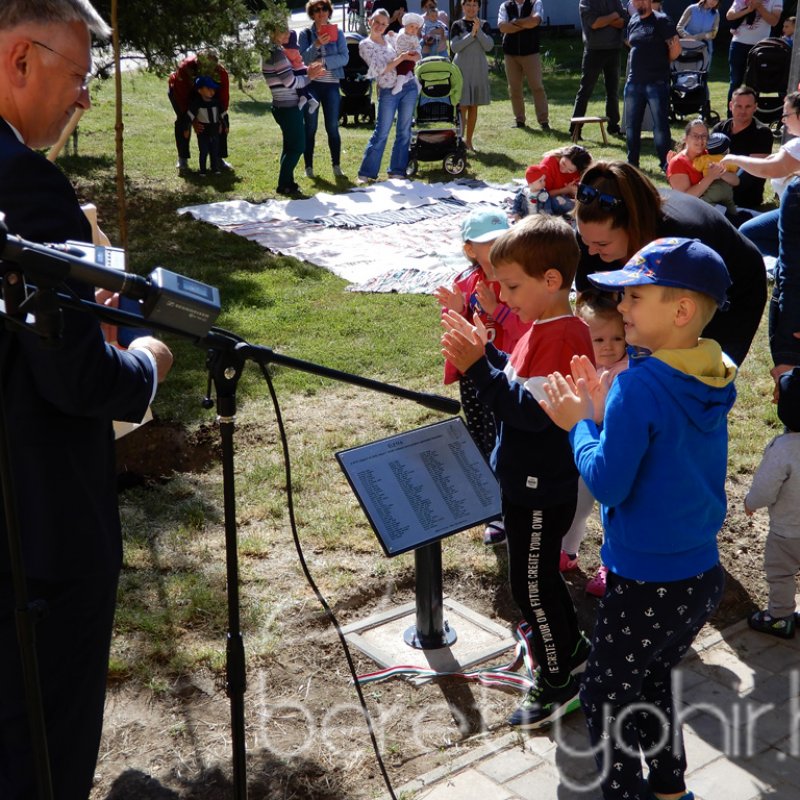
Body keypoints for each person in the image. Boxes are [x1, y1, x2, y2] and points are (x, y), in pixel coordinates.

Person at [0, 2, 174, 797]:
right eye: (76, 76)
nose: (81, 99)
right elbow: (78, 379)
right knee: (44, 745)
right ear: (20, 60)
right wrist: (145, 361)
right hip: (40, 534)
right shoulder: (25, 186)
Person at [540, 236, 736, 800]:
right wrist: (604, 419)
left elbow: (606, 483)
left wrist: (579, 423)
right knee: (652, 680)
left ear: (679, 310)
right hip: (699, 576)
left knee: (605, 695)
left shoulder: (637, 386)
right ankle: (671, 789)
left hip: (644, 581)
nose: (620, 307)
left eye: (634, 296)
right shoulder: (714, 371)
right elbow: (661, 452)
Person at [440, 215, 594, 730]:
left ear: (551, 281)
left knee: (531, 586)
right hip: (524, 481)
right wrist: (487, 352)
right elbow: (518, 379)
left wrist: (477, 367)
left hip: (538, 487)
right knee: (538, 580)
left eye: (511, 285)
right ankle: (570, 649)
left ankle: (558, 682)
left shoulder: (560, 334)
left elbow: (529, 413)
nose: (503, 297)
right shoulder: (544, 328)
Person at [574, 159, 767, 366]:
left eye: (601, 244)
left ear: (634, 228)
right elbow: (588, 305)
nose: (591, 250)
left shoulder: (681, 241)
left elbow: (677, 324)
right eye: (586, 241)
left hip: (734, 288)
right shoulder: (593, 233)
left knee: (696, 374)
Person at [433, 210, 530, 546]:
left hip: (508, 373)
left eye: (501, 237)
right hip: (473, 376)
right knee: (480, 438)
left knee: (506, 441)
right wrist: (459, 309)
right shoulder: (464, 283)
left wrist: (497, 310)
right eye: (487, 242)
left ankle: (507, 506)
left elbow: (526, 330)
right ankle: (492, 507)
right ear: (470, 249)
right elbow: (454, 333)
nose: (497, 245)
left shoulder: (517, 279)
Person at [722, 92, 800, 388]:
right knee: (750, 232)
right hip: (787, 214)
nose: (783, 121)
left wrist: (732, 158)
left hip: (793, 215)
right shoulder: (793, 146)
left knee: (753, 238)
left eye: (787, 115)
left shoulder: (797, 145)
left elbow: (771, 169)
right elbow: (776, 161)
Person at [559, 290, 629, 596]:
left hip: (613, 451)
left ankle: (610, 566)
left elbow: (601, 413)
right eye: (599, 340)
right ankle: (568, 552)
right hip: (585, 447)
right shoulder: (581, 365)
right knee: (578, 503)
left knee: (612, 512)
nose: (610, 346)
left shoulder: (626, 372)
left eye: (617, 337)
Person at [745, 367, 800, 639]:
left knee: (780, 574)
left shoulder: (782, 449)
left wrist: (751, 502)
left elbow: (766, 488)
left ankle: (779, 617)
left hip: (786, 533)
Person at [261, 18, 325, 195]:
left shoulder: (274, 51)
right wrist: (310, 77)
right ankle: (283, 184)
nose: (289, 34)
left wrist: (308, 72)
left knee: (290, 146)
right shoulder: (277, 54)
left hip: (284, 107)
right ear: (273, 33)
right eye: (284, 31)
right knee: (298, 146)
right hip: (288, 108)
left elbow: (291, 76)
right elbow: (290, 82)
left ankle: (288, 182)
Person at [356, 8, 420, 183]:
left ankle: (397, 170)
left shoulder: (390, 39)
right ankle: (367, 173)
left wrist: (412, 56)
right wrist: (402, 58)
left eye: (383, 24)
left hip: (408, 86)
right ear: (370, 21)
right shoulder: (365, 45)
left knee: (404, 130)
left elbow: (408, 45)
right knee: (382, 131)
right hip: (387, 91)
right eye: (377, 22)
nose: (379, 26)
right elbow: (380, 69)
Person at [623, 0, 681, 172]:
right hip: (634, 82)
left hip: (657, 82)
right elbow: (631, 43)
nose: (639, 2)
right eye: (635, 0)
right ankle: (632, 164)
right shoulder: (633, 20)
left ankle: (665, 164)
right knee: (632, 126)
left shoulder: (662, 20)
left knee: (660, 126)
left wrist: (662, 62)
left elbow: (676, 49)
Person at [299, 0, 350, 180]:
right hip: (311, 85)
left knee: (333, 127)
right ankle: (309, 167)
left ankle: (336, 165)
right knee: (310, 128)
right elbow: (304, 59)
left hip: (331, 85)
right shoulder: (305, 34)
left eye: (324, 9)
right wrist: (317, 44)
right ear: (312, 14)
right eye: (316, 10)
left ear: (329, 12)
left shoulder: (339, 33)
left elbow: (345, 58)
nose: (321, 13)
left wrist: (324, 62)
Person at [569, 0, 628, 141]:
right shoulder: (586, 2)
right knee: (585, 91)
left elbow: (623, 22)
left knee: (612, 91)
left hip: (613, 49)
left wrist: (605, 20)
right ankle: (575, 129)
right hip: (593, 50)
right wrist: (613, 16)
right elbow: (594, 23)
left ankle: (613, 126)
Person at [168, 49, 231, 173]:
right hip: (181, 93)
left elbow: (223, 100)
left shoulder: (221, 73)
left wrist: (219, 119)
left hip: (208, 92)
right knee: (183, 121)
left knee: (221, 122)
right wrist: (193, 120)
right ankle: (183, 159)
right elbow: (184, 101)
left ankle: (218, 158)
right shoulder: (185, 68)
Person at [712, 85, 774, 209]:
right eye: (738, 106)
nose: (743, 111)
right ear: (731, 106)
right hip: (715, 188)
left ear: (755, 107)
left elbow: (751, 175)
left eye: (748, 106)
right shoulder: (720, 128)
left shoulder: (762, 133)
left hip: (744, 198)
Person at [666, 119, 739, 218]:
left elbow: (736, 181)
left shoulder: (711, 154)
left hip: (720, 205)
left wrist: (722, 172)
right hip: (693, 214)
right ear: (686, 138)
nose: (700, 140)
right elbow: (685, 199)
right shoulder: (677, 163)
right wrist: (710, 177)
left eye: (704, 136)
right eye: (695, 136)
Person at [497, 0, 550, 130]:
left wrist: (514, 22)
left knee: (537, 86)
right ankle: (519, 121)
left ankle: (544, 121)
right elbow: (503, 27)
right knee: (514, 88)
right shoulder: (505, 6)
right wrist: (526, 23)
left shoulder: (536, 3)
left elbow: (535, 21)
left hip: (531, 52)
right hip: (511, 54)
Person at [449, 0, 493, 152]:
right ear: (463, 7)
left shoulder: (485, 24)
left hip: (478, 69)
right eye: (468, 4)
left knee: (474, 105)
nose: (471, 8)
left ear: (479, 7)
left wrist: (478, 31)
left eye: (474, 5)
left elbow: (488, 46)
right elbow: (455, 47)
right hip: (461, 69)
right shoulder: (457, 25)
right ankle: (459, 141)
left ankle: (469, 141)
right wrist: (471, 34)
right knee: (462, 106)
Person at [726, 0, 783, 108]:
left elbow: (774, 21)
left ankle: (753, 115)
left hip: (760, 47)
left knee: (755, 83)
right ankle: (731, 115)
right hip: (738, 44)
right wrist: (749, 9)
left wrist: (759, 7)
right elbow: (729, 15)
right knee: (735, 81)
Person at [519, 145, 593, 215]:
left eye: (570, 170)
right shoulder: (549, 163)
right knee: (557, 202)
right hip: (546, 198)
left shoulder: (581, 172)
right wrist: (565, 190)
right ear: (562, 155)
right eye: (563, 163)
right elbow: (540, 194)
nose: (564, 170)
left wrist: (575, 193)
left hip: (566, 199)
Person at [188, 75, 225, 175]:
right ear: (199, 91)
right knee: (203, 151)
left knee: (214, 150)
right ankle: (202, 170)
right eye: (208, 89)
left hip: (215, 130)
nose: (212, 91)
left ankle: (215, 168)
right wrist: (186, 128)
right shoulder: (197, 104)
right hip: (203, 131)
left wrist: (225, 125)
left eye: (213, 89)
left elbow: (223, 115)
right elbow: (189, 116)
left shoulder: (216, 102)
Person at [283, 29, 320, 113]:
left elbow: (293, 57)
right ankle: (312, 101)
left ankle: (302, 98)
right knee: (303, 88)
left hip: (299, 70)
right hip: (299, 69)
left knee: (299, 85)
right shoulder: (291, 49)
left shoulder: (291, 50)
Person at [393, 12, 423, 94]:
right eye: (412, 26)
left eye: (416, 28)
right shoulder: (401, 35)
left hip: (411, 57)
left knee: (405, 66)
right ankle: (411, 82)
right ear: (405, 26)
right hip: (402, 55)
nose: (414, 29)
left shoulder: (414, 37)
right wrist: (405, 53)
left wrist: (417, 52)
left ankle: (400, 83)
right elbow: (398, 46)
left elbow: (418, 46)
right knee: (404, 67)